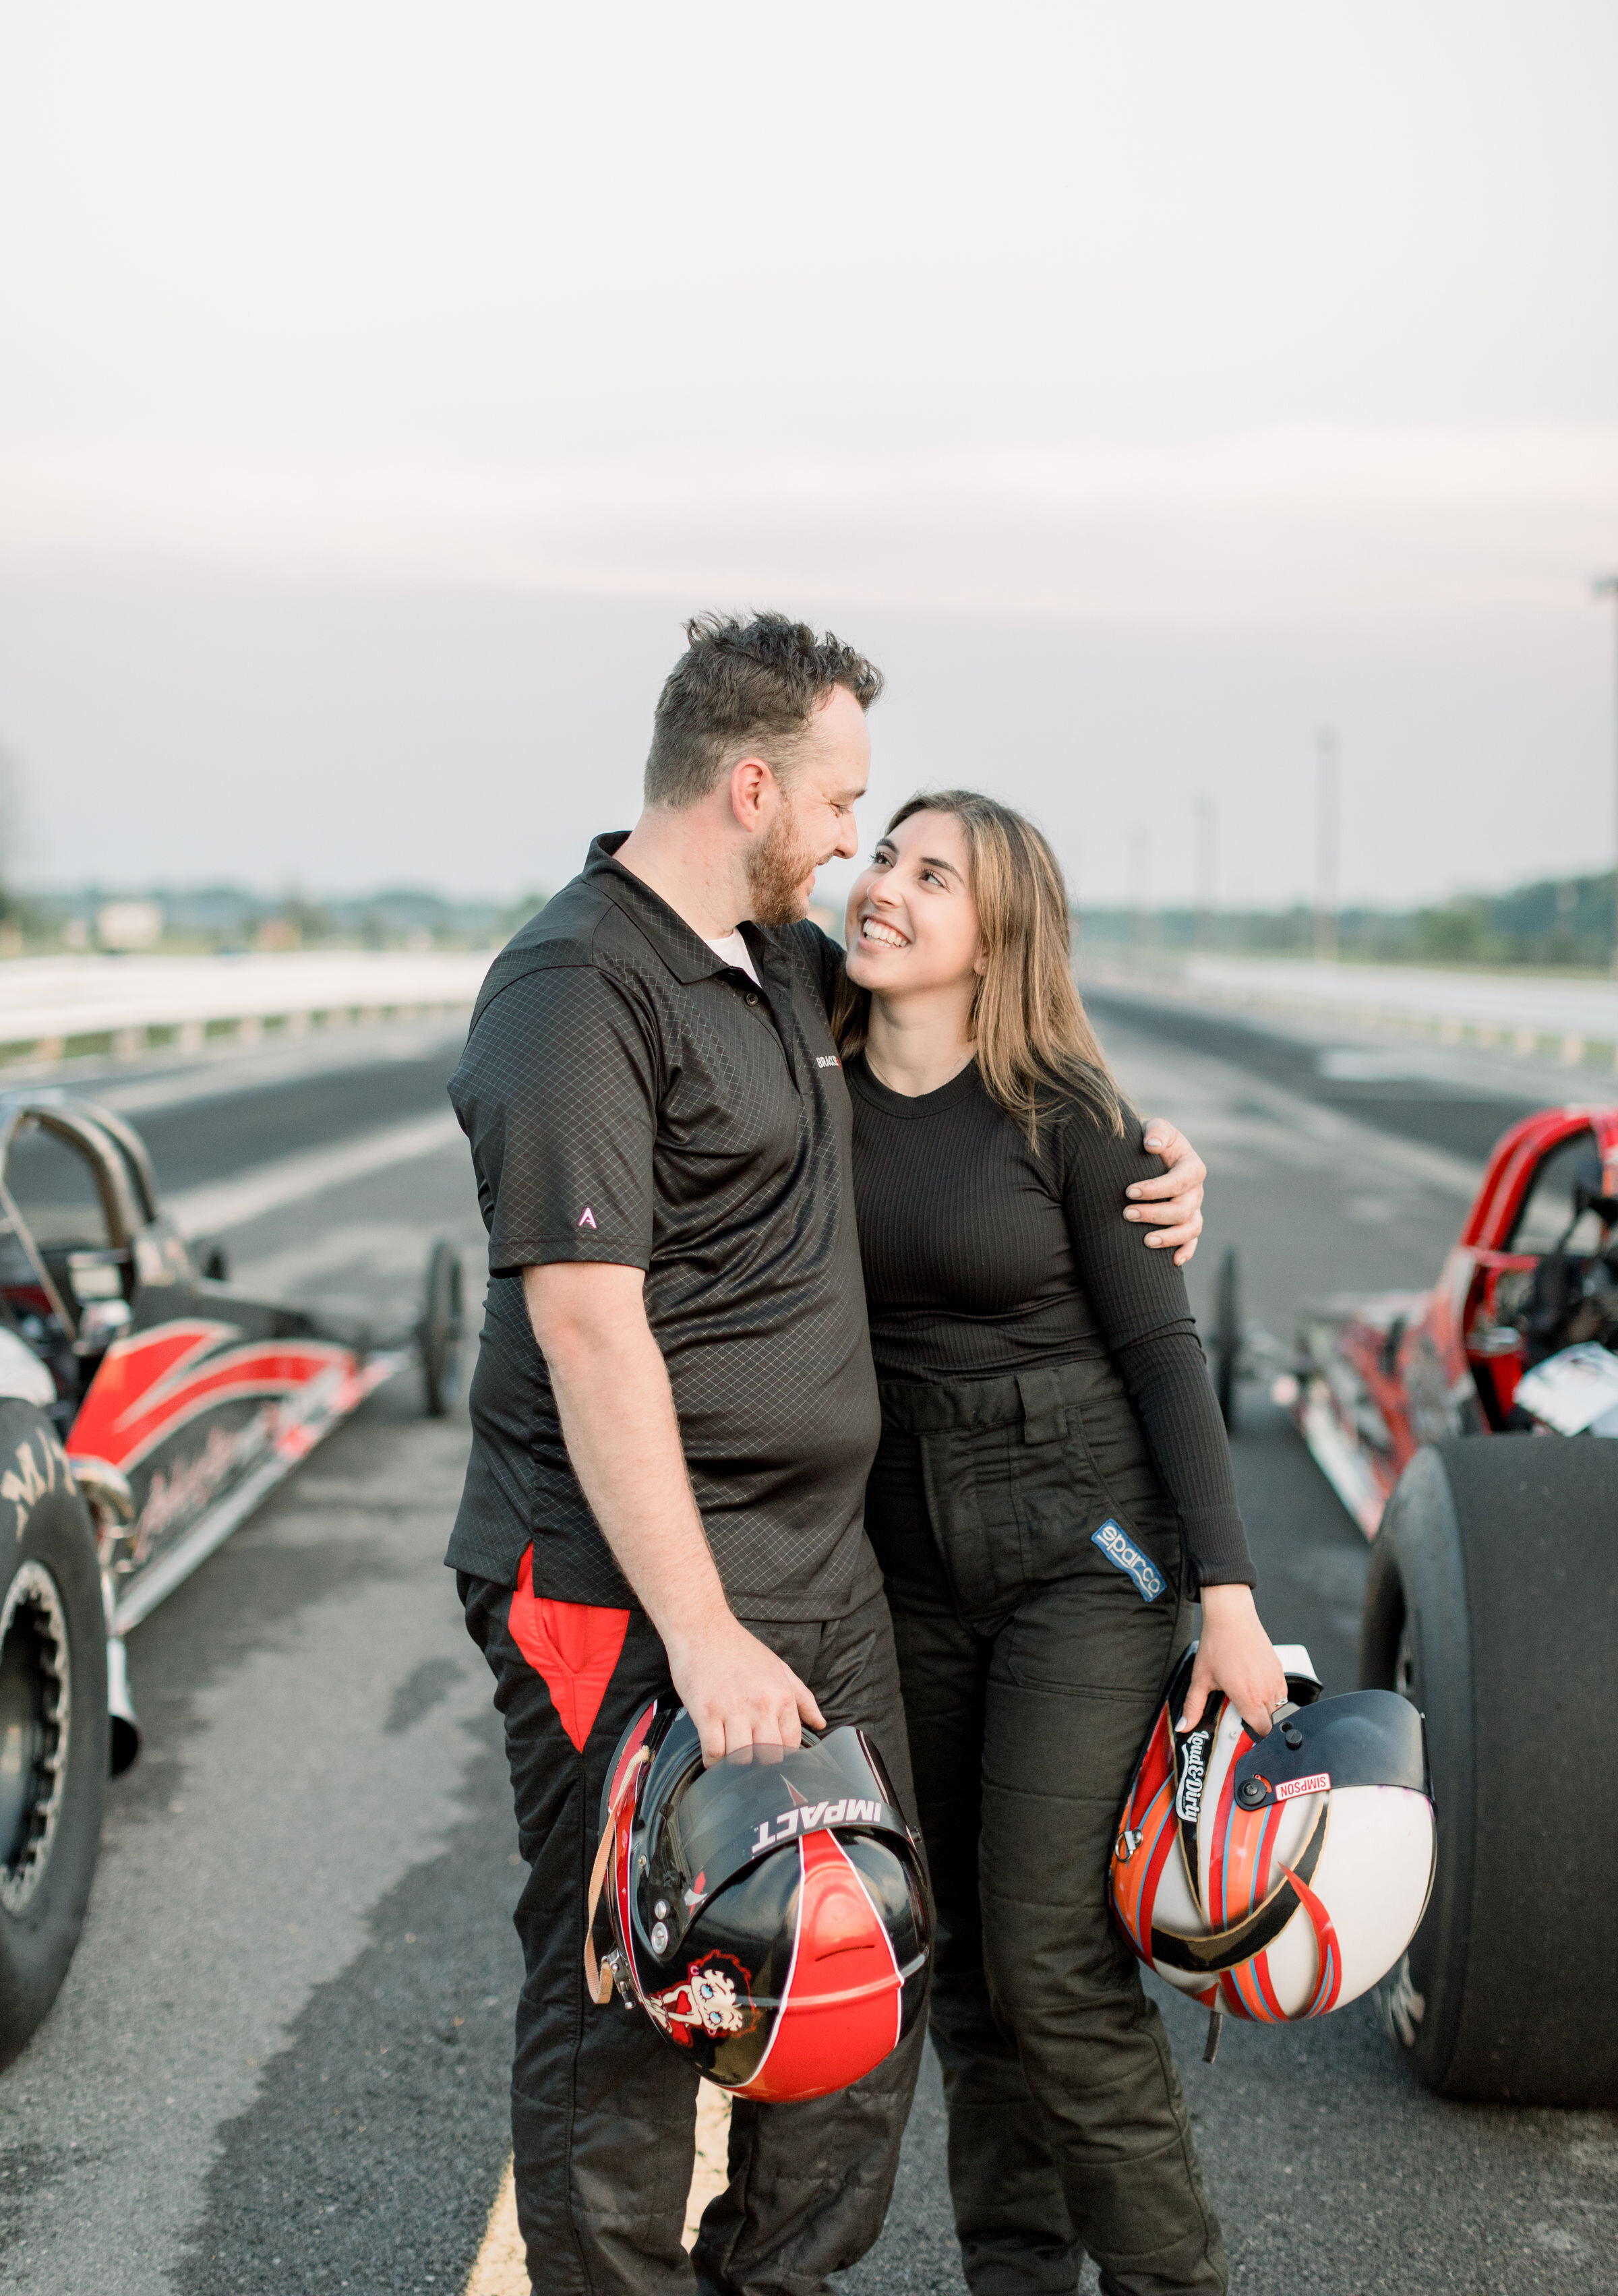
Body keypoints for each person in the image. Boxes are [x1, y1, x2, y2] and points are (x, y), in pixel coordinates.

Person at [446, 615, 1209, 2296]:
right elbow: (589, 1334)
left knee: (865, 1978)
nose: (855, 843)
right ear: (750, 786)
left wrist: (1145, 1168)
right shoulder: (575, 992)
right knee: (649, 1996)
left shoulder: (785, 966)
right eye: (843, 803)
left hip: (827, 1571)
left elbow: (972, 1081)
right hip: (630, 1589)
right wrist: (704, 1632)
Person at [837, 789, 1285, 2296]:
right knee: (959, 1962)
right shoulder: (799, 1080)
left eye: (930, 876)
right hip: (903, 1563)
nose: (885, 887)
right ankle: (1016, 2277)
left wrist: (1227, 1599)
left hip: (1082, 1558)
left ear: (998, 935)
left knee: (1049, 1956)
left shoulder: (1073, 1120)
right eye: (883, 857)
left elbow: (1167, 1356)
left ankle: (1174, 2283)